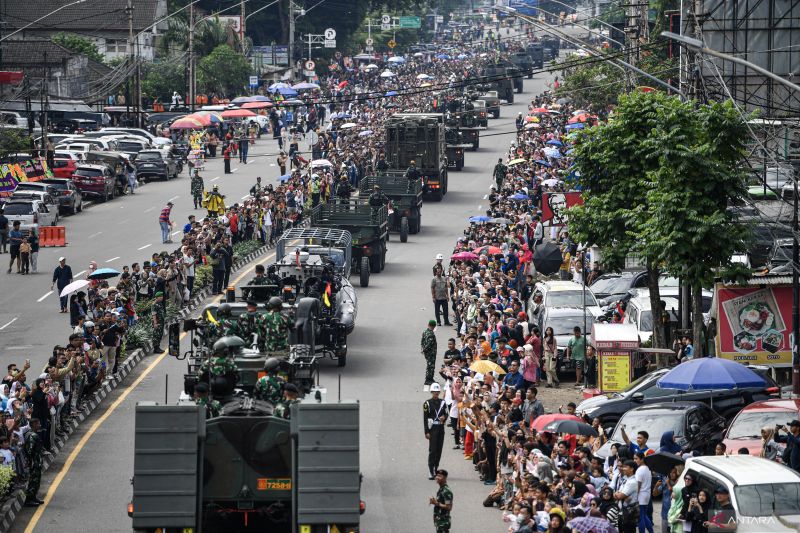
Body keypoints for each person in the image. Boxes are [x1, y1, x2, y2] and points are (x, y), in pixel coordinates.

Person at [424, 383, 446, 480]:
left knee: (439, 450)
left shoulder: (443, 402)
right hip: (432, 429)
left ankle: (435, 468)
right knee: (432, 450)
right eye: (434, 392)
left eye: (437, 392)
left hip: (440, 428)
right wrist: (426, 431)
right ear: (431, 392)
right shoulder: (427, 403)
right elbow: (425, 418)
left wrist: (444, 417)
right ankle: (430, 469)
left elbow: (446, 413)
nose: (436, 393)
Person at [23, 418, 45, 507]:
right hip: (34, 461)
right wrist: (31, 461)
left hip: (37, 461)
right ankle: (29, 499)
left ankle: (33, 497)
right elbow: (29, 450)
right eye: (38, 423)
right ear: (34, 425)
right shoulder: (32, 435)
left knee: (37, 480)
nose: (39, 425)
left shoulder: (32, 434)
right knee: (33, 480)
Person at [634, 452, 654, 533]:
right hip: (646, 495)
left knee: (641, 517)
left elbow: (638, 485)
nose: (634, 460)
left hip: (641, 495)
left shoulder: (640, 469)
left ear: (642, 459)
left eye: (636, 459)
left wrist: (635, 497)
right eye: (634, 458)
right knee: (644, 515)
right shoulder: (647, 468)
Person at [421, 319, 438, 388]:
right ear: (434, 326)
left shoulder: (425, 332)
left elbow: (422, 341)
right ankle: (428, 379)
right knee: (430, 366)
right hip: (430, 353)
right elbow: (429, 344)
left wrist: (422, 349)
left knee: (430, 365)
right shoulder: (431, 334)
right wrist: (425, 350)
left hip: (427, 353)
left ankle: (430, 378)